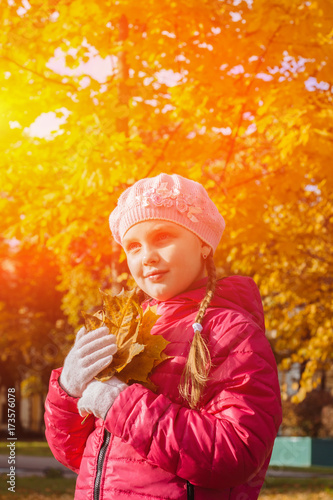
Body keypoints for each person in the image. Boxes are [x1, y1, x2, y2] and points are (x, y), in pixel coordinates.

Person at [44, 173, 282, 500]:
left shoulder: (232, 332)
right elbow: (75, 455)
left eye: (163, 236)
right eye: (134, 246)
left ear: (203, 244)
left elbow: (237, 452)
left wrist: (120, 405)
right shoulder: (123, 329)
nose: (148, 256)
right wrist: (68, 392)